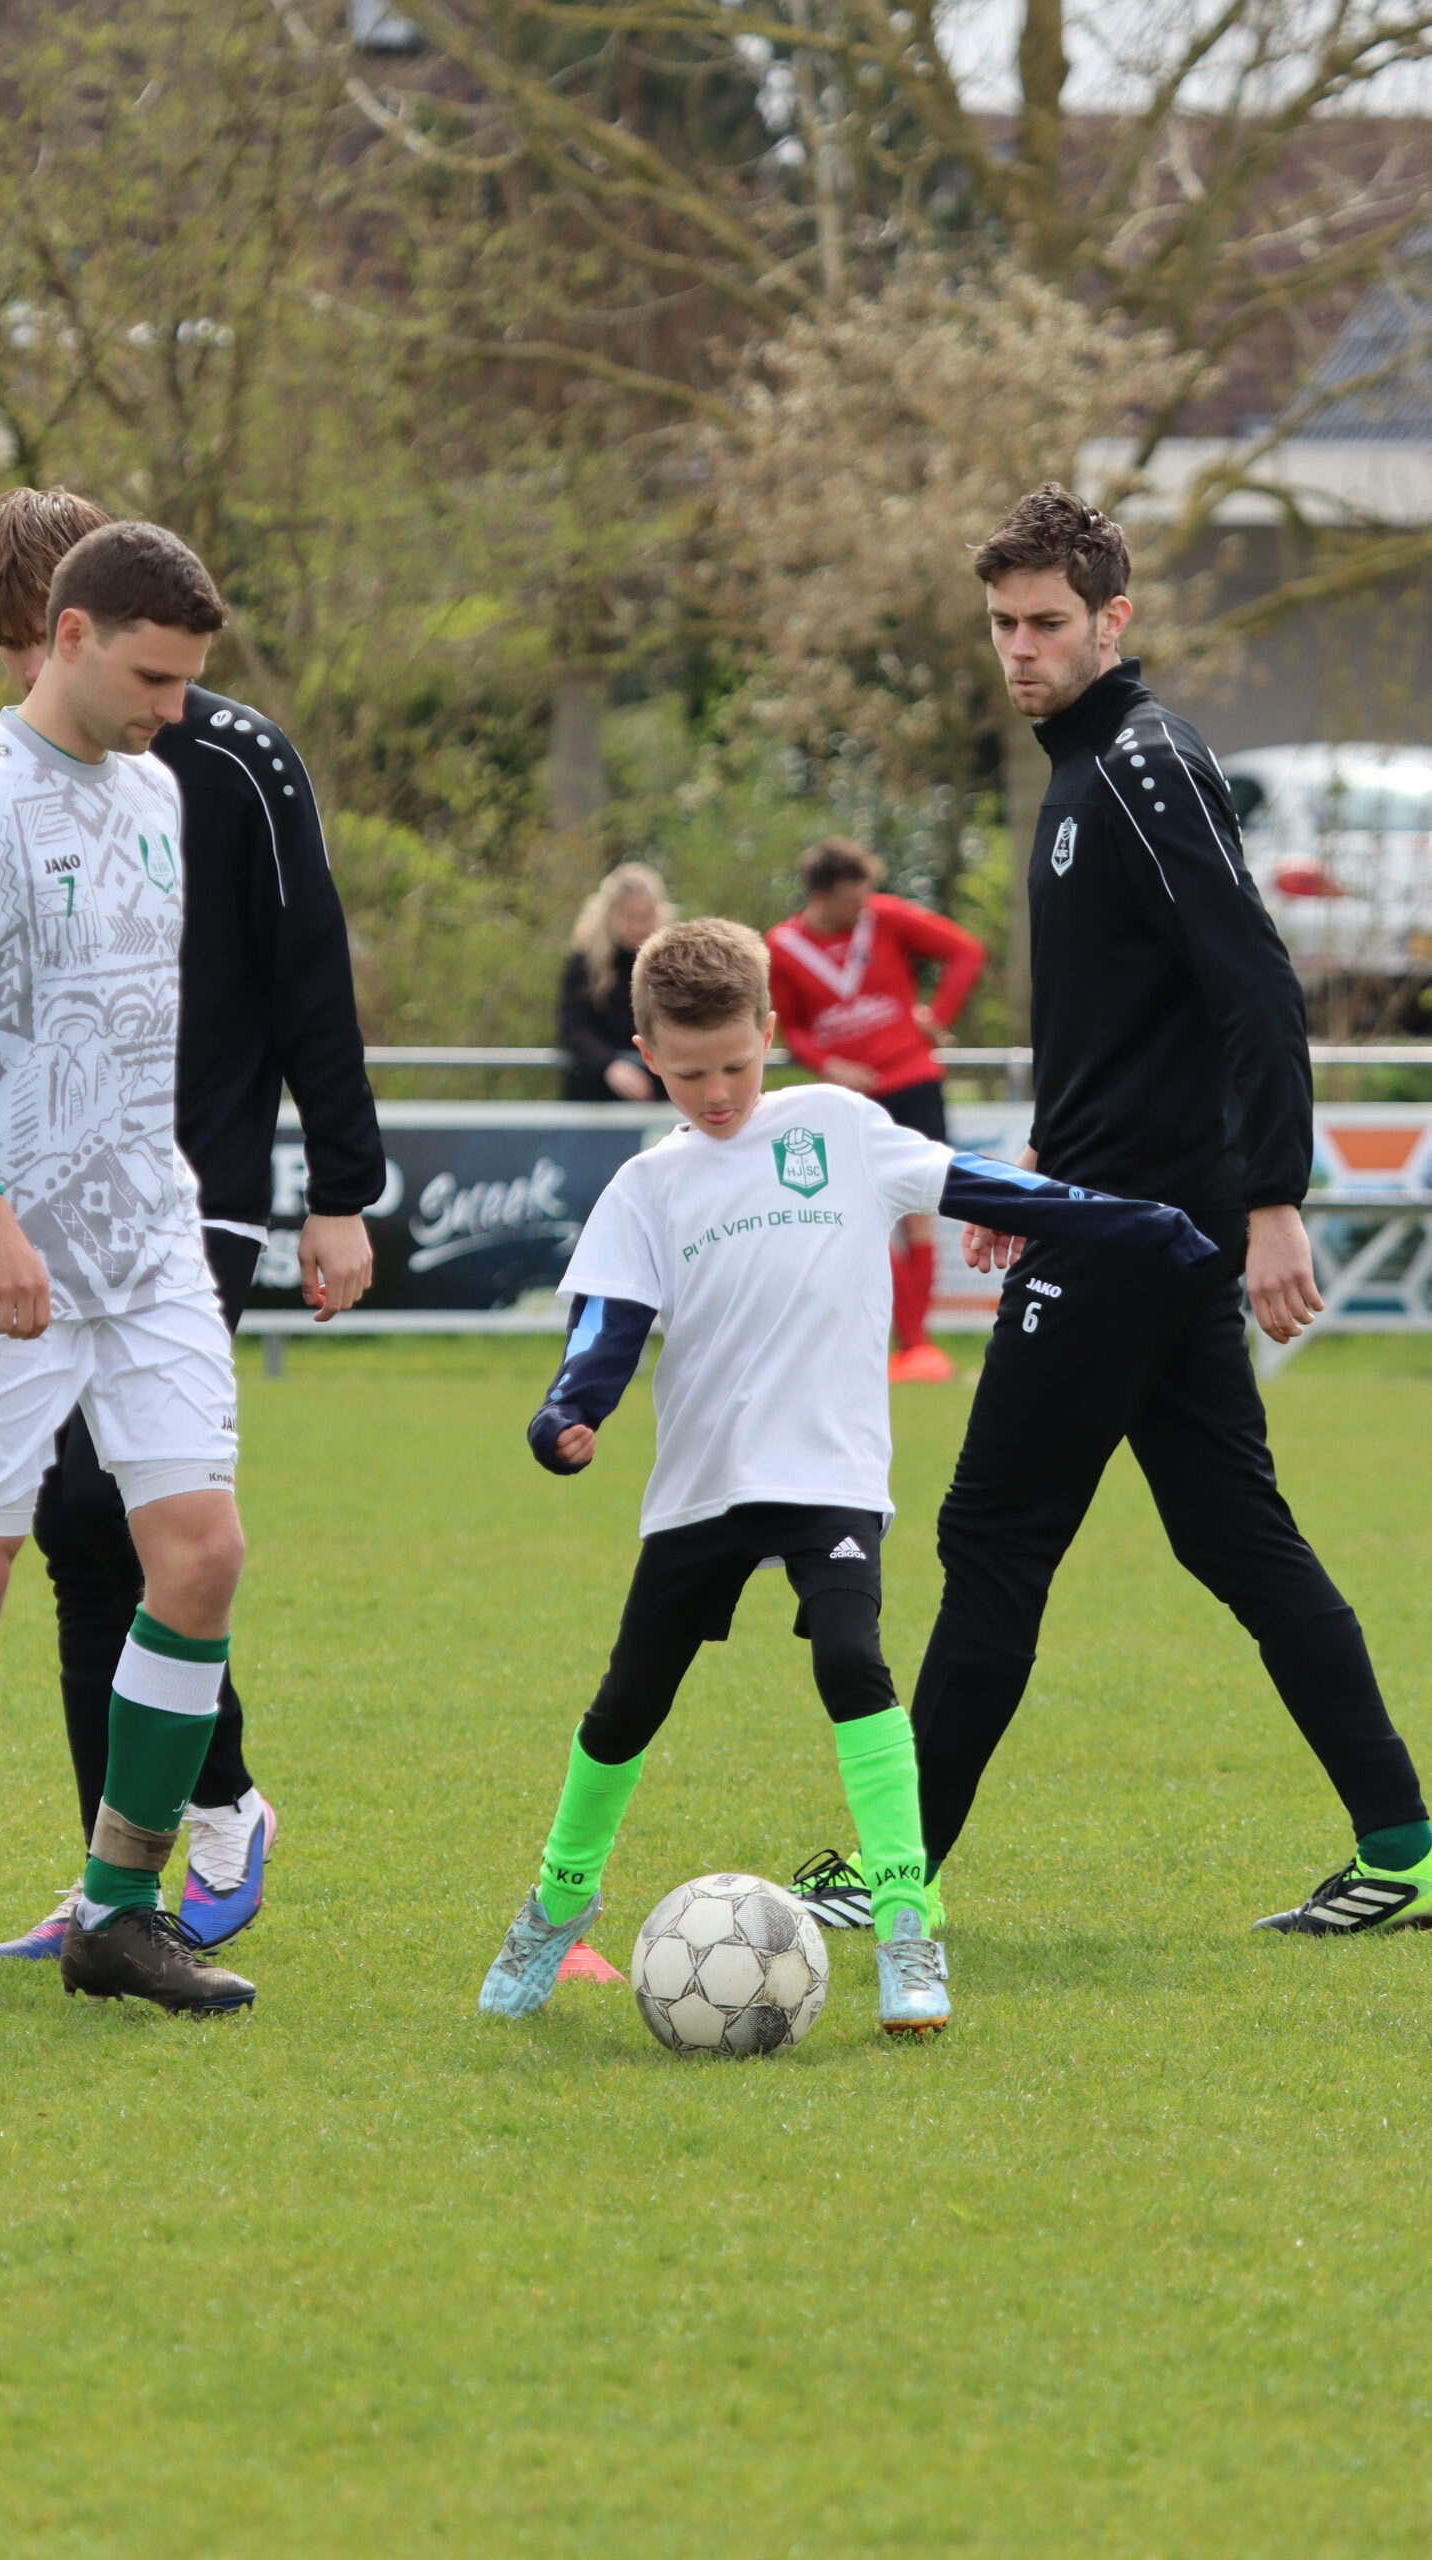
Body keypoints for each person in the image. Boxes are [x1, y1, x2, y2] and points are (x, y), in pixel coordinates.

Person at [797, 483, 1432, 1943]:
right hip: (1111, 1209)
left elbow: (1253, 982)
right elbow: (1126, 1022)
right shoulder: (1083, 769)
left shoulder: (1143, 765)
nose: (1018, 649)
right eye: (1001, 625)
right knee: (1233, 1536)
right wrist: (1032, 1169)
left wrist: (1276, 1198)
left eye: (1044, 622)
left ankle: (894, 1869)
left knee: (992, 1531)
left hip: (1136, 1230)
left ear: (1111, 619)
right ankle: (1403, 1845)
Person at [476, 918, 1219, 2033]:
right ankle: (556, 1905)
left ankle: (908, 1925)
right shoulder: (646, 1186)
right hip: (704, 1485)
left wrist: (1140, 1224)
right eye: (687, 1073)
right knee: (628, 1702)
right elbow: (606, 1329)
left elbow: (981, 1186)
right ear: (646, 1052)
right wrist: (565, 1414)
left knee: (851, 1659)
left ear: (770, 1031)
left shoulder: (836, 1126)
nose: (715, 1093)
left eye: (735, 1066)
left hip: (828, 1469)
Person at [0, 488, 384, 1959]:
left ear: (82, 619)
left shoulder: (236, 760)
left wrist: (341, 1191)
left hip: (198, 1198)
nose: (26, 678)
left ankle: (221, 1803)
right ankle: (115, 1887)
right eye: (8, 657)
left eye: (33, 643)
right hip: (50, 1207)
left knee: (107, 1509)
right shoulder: (14, 778)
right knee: (78, 1532)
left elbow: (313, 970)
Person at [0, 520, 278, 2023]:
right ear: (72, 634)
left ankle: (118, 1910)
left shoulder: (159, 790)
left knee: (201, 1557)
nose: (174, 706)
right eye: (153, 677)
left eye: (188, 679)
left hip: (147, 1246)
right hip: (2, 1259)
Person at [766, 839, 985, 1385]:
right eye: (849, 898)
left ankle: (917, 1347)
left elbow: (965, 951)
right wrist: (828, 1065)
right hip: (848, 1097)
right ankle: (904, 1343)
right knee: (862, 1215)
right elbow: (790, 1026)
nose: (861, 906)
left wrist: (938, 1015)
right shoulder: (782, 946)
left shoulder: (884, 915)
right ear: (820, 897)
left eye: (864, 894)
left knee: (916, 1213)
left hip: (912, 1081)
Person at [558, 862, 672, 1102]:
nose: (639, 927)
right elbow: (575, 1028)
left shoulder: (672, 962)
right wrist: (609, 1064)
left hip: (660, 1098)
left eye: (645, 917)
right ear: (610, 915)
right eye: (630, 917)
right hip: (597, 1098)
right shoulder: (585, 964)